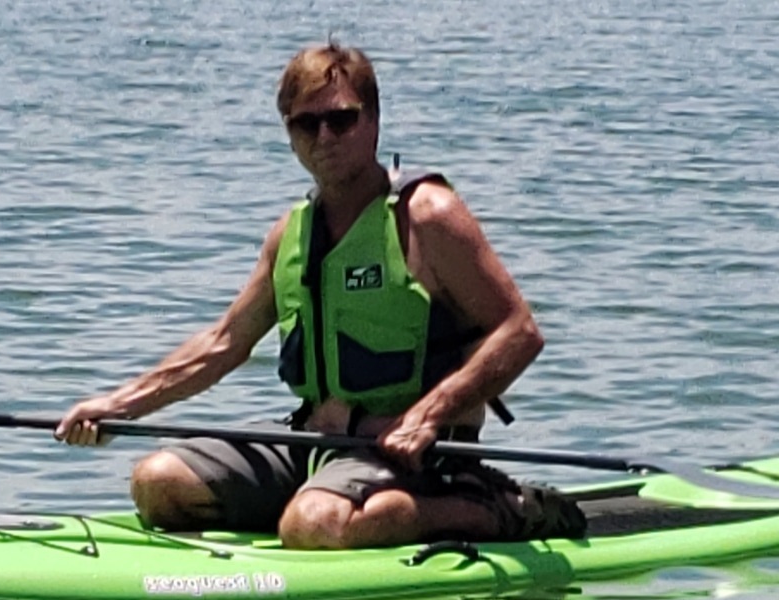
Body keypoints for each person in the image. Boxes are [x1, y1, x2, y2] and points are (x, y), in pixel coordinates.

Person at [55, 42, 585, 549]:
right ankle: (317, 513)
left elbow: (520, 332)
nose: (325, 136)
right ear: (289, 135)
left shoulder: (426, 216)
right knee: (158, 482)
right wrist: (117, 406)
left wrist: (427, 414)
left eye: (342, 119)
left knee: (313, 524)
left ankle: (497, 508)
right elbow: (222, 345)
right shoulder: (291, 233)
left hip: (421, 454)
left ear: (372, 122)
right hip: (315, 442)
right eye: (306, 124)